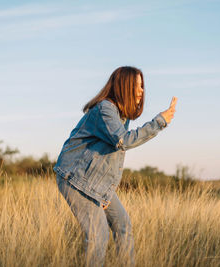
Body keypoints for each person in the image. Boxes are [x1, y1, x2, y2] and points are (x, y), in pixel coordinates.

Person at [53, 66, 177, 266]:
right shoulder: (105, 109)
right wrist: (159, 122)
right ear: (124, 86)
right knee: (98, 235)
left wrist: (104, 192)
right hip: (75, 178)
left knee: (123, 226)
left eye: (142, 86)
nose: (141, 91)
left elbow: (110, 157)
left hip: (95, 181)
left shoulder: (121, 115)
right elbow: (123, 141)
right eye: (137, 86)